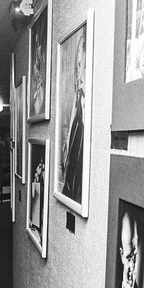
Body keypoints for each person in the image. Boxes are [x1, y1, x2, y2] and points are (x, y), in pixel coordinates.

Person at [61, 33, 86, 203]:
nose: (78, 74)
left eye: (81, 65)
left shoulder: (85, 107)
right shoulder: (77, 106)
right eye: (76, 67)